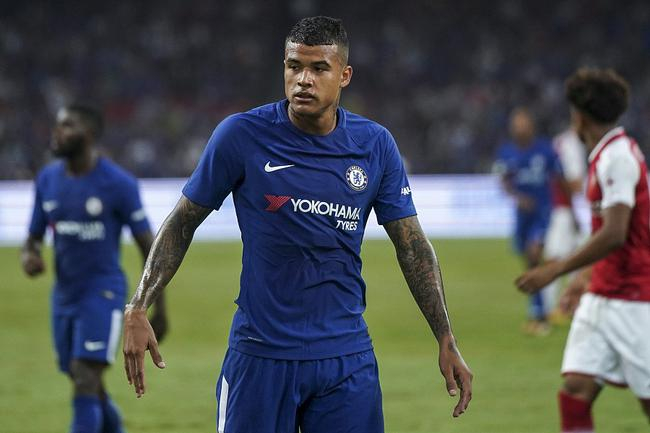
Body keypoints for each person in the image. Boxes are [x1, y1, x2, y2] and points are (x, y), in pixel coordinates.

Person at [122, 16, 472, 433]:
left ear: (344, 76)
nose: (303, 79)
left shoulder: (375, 145)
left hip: (346, 359)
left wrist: (445, 336)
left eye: (319, 68)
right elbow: (182, 222)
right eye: (294, 66)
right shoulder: (241, 135)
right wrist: (138, 304)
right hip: (261, 355)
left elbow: (412, 245)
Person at [516, 68, 650, 432]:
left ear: (580, 116)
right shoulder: (605, 154)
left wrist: (555, 270)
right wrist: (583, 279)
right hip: (601, 294)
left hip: (632, 298)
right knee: (576, 387)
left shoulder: (618, 158)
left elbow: (615, 233)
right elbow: (608, 234)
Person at [21, 104, 168, 433]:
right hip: (64, 297)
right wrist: (29, 257)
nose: (57, 132)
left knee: (85, 376)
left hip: (102, 293)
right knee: (79, 375)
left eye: (67, 126)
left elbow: (150, 248)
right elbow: (32, 239)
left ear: (88, 134)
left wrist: (158, 308)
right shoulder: (47, 180)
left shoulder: (118, 184)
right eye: (57, 125)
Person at [493, 107, 563, 335]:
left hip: (542, 213)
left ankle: (541, 312)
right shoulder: (506, 152)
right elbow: (503, 181)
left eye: (522, 124)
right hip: (522, 216)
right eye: (516, 124)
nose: (519, 128)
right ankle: (539, 310)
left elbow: (560, 178)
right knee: (530, 262)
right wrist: (517, 197)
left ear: (531, 126)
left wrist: (565, 209)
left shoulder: (546, 150)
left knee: (534, 255)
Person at [543, 127, 587, 322]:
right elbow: (574, 183)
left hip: (565, 209)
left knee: (575, 258)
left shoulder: (561, 141)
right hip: (566, 210)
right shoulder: (572, 145)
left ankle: (568, 306)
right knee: (561, 258)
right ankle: (556, 307)